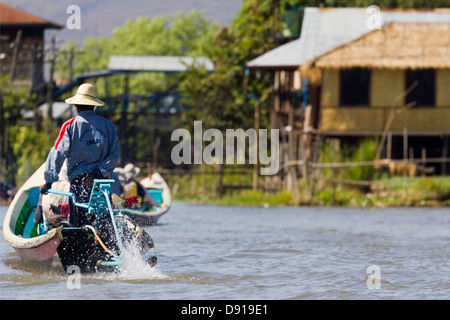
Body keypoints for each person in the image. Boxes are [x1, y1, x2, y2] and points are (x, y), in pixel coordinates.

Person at [40, 83, 120, 229]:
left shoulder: (69, 126)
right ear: (94, 105)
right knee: (105, 221)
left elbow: (57, 154)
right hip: (103, 184)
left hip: (79, 183)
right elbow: (114, 156)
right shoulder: (109, 126)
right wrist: (97, 172)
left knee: (79, 224)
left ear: (76, 105)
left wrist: (49, 181)